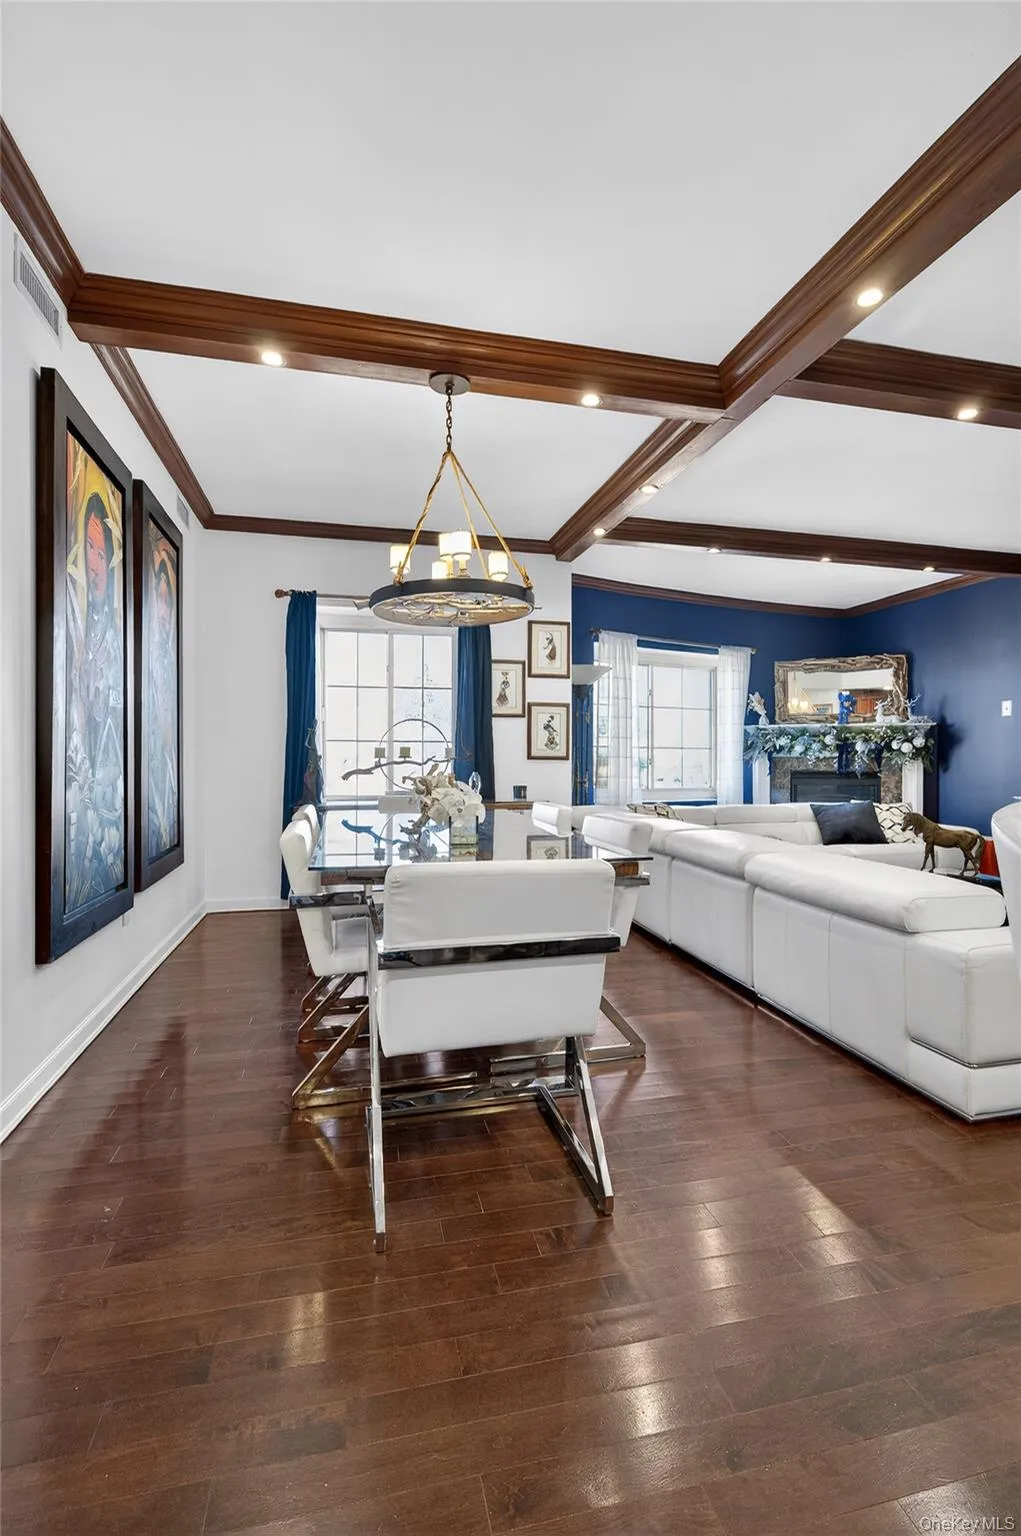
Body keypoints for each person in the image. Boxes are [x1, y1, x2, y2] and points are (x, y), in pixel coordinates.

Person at [65, 491, 124, 909]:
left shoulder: (118, 628)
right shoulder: (74, 618)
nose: (94, 563)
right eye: (88, 548)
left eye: (102, 553)